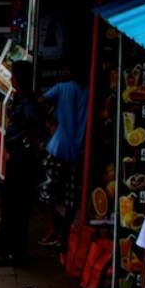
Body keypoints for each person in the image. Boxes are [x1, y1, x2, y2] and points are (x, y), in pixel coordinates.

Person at [0, 60, 43, 267]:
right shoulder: (20, 98)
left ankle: (16, 252)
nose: (11, 78)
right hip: (16, 158)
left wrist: (26, 142)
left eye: (14, 75)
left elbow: (37, 125)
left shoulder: (28, 103)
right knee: (9, 204)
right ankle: (3, 244)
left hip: (24, 161)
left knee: (18, 207)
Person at [39, 65, 87, 247]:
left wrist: (51, 120)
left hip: (58, 147)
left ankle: (52, 229)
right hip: (78, 151)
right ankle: (64, 233)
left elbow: (41, 100)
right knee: (71, 196)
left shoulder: (63, 87)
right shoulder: (90, 92)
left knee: (47, 190)